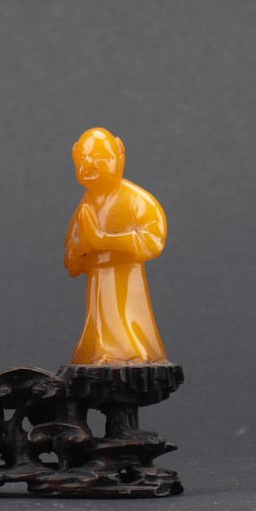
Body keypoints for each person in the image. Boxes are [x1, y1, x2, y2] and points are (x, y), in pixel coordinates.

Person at [64, 127, 169, 364]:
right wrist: (82, 247)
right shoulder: (85, 206)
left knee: (124, 318)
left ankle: (128, 353)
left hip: (125, 275)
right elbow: (70, 252)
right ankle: (98, 351)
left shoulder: (136, 200)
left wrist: (105, 241)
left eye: (99, 158)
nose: (88, 165)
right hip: (96, 280)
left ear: (120, 157)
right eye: (81, 159)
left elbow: (152, 241)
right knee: (98, 324)